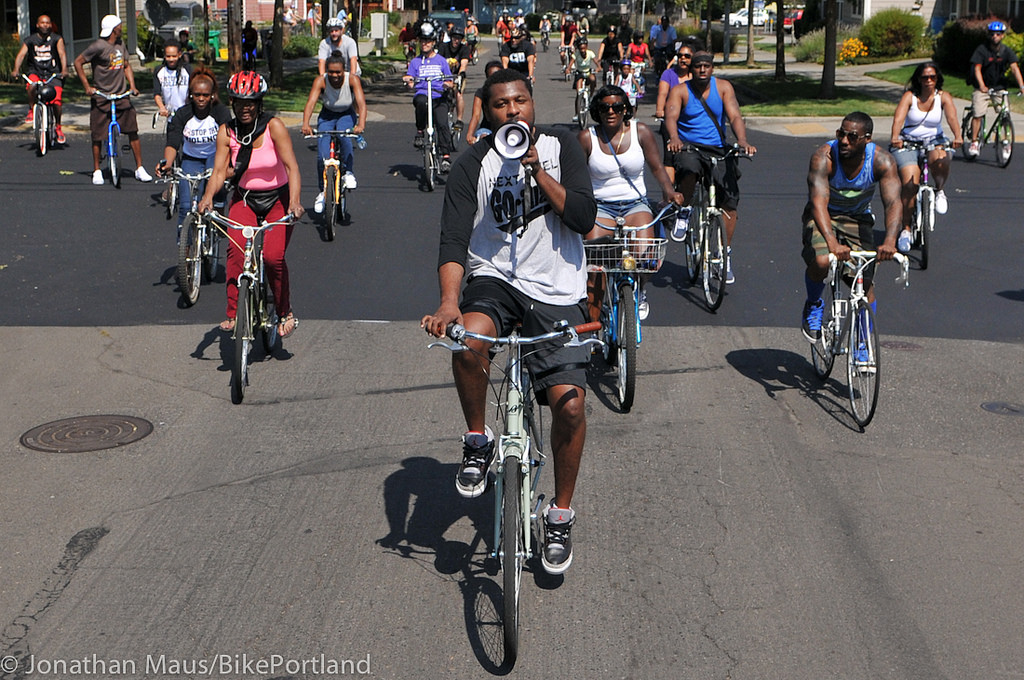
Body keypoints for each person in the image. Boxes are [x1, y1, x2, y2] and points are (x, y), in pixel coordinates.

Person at [420, 69, 597, 575]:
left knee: (569, 406)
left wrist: (539, 171)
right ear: (487, 110)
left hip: (557, 288)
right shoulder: (471, 162)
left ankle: (559, 514)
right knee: (469, 340)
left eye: (520, 101)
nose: (512, 111)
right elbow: (453, 238)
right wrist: (449, 302)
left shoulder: (564, 146)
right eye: (501, 104)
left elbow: (584, 217)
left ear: (533, 103)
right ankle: (478, 438)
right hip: (494, 279)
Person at [198, 71, 304, 339]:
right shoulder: (227, 131)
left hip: (277, 200)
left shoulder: (273, 127)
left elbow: (292, 168)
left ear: (259, 103)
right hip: (244, 199)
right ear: (232, 102)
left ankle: (284, 311)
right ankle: (234, 313)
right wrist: (208, 197)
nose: (245, 108)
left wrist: (294, 203)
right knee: (234, 254)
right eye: (239, 102)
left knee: (272, 257)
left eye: (251, 102)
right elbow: (220, 171)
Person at [800, 112, 902, 364]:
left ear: (866, 139)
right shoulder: (824, 157)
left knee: (864, 282)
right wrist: (832, 243)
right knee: (823, 261)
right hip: (823, 216)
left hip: (858, 220)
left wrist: (890, 241)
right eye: (841, 134)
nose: (844, 140)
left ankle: (861, 343)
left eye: (852, 136)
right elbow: (818, 202)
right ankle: (814, 303)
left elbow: (893, 202)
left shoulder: (882, 161)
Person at [577, 85, 683, 321]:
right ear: (597, 110)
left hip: (635, 205)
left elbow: (657, 168)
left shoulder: (641, 132)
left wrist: (669, 192)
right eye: (605, 107)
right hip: (600, 207)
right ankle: (593, 325)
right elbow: (575, 176)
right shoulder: (587, 138)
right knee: (596, 264)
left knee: (645, 257)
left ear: (626, 109)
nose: (611, 111)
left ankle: (640, 291)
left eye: (617, 106)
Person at [664, 51, 756, 283]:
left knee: (729, 201)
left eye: (706, 66)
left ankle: (723, 255)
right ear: (691, 69)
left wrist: (742, 141)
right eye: (698, 66)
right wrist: (674, 138)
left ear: (712, 68)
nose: (702, 70)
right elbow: (671, 117)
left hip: (717, 147)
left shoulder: (723, 87)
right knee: (689, 168)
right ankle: (684, 210)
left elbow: (735, 116)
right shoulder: (680, 91)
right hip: (690, 146)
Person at [888, 62, 962, 251]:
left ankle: (939, 190)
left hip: (934, 140)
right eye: (925, 77)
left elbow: (952, 117)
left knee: (941, 159)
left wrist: (958, 136)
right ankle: (905, 229)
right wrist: (895, 137)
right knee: (910, 182)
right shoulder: (910, 97)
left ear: (938, 79)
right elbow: (898, 118)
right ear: (918, 79)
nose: (929, 81)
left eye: (933, 77)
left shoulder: (943, 97)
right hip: (909, 141)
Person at [74, 15, 152, 185]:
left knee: (133, 131)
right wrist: (87, 86)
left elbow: (126, 65)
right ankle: (96, 170)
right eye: (119, 26)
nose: (121, 28)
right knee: (98, 135)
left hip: (120, 95)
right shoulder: (98, 46)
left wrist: (132, 86)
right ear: (114, 29)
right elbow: (78, 62)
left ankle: (139, 168)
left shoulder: (120, 44)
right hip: (102, 97)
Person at [155, 67, 231, 231]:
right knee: (186, 206)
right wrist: (166, 163)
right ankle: (186, 249)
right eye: (197, 95)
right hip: (191, 159)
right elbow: (173, 142)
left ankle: (217, 222)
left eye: (205, 95)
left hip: (214, 156)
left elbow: (229, 142)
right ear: (191, 95)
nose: (201, 99)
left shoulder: (221, 112)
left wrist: (228, 165)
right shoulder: (183, 114)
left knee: (216, 188)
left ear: (212, 95)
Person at [301, 53, 367, 212]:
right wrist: (305, 124)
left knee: (344, 136)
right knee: (321, 155)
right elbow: (310, 104)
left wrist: (360, 124)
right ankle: (322, 191)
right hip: (327, 115)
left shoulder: (352, 79)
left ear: (343, 70)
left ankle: (348, 172)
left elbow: (361, 104)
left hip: (346, 114)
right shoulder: (320, 81)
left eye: (338, 72)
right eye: (331, 72)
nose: (335, 76)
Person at [967, 20, 1024, 158]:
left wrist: (1022, 86)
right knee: (978, 113)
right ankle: (974, 142)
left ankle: (1006, 142)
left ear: (1003, 35)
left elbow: (1014, 68)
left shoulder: (1006, 51)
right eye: (992, 34)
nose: (995, 36)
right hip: (983, 87)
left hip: (999, 87)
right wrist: (981, 86)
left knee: (1005, 113)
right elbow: (977, 68)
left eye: (998, 34)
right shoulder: (982, 50)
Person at [403, 23, 455, 172]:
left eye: (427, 41)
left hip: (438, 96)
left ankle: (445, 156)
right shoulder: (415, 62)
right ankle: (420, 131)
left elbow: (449, 80)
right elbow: (411, 81)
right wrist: (408, 81)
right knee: (420, 102)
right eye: (422, 41)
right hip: (423, 94)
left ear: (433, 43)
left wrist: (447, 84)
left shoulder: (441, 61)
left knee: (443, 124)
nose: (424, 44)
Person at [13, 14, 68, 144]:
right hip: (35, 72)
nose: (45, 25)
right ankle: (32, 109)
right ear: (37, 25)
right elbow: (21, 55)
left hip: (52, 74)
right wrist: (16, 69)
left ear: (51, 25)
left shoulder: (56, 39)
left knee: (56, 101)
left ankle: (58, 127)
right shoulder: (30, 40)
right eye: (42, 23)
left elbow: (62, 54)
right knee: (31, 85)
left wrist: (64, 70)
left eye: (48, 23)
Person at [655, 38, 698, 183]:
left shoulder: (696, 76)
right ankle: (669, 195)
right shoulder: (668, 74)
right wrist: (660, 109)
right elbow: (662, 93)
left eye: (687, 56)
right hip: (670, 119)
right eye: (680, 56)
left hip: (691, 121)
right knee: (670, 157)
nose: (683, 59)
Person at [464, 60, 503, 145]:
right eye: (491, 77)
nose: (494, 80)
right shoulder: (481, 92)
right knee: (484, 138)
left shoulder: (508, 92)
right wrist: (470, 134)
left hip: (506, 127)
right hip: (487, 128)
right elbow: (476, 115)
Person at [153, 43, 192, 121]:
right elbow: (157, 94)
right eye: (168, 56)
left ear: (179, 54)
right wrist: (162, 107)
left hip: (188, 116)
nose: (171, 59)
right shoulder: (159, 71)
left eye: (174, 56)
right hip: (171, 117)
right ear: (164, 55)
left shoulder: (187, 70)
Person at [440, 28, 471, 124]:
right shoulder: (443, 47)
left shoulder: (464, 49)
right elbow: (438, 62)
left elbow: (464, 64)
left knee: (458, 94)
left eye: (459, 38)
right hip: (443, 75)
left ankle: (459, 119)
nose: (456, 41)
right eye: (454, 38)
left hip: (457, 75)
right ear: (451, 37)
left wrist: (460, 75)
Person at [569, 36, 599, 122]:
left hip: (588, 72)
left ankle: (591, 95)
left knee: (593, 79)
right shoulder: (576, 54)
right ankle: (576, 113)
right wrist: (568, 69)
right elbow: (571, 63)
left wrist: (598, 68)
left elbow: (596, 62)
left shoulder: (590, 53)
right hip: (579, 73)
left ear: (586, 47)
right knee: (579, 93)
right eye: (580, 48)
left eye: (584, 48)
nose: (582, 50)